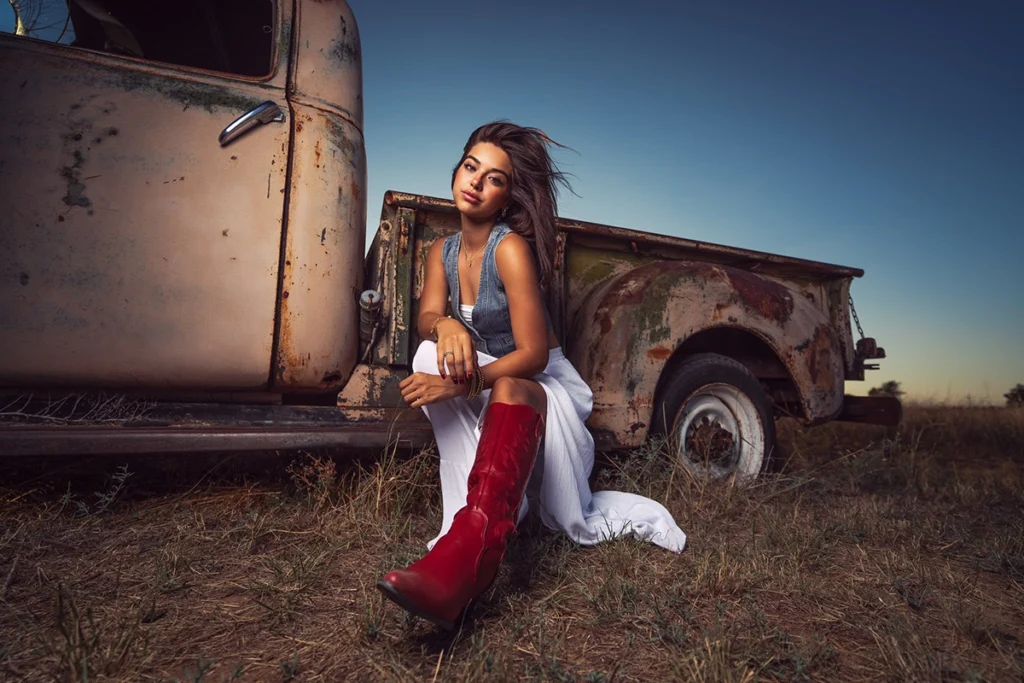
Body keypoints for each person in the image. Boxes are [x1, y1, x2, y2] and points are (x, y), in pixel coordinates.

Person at [376, 122, 687, 630]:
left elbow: (536, 356)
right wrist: (448, 323)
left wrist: (461, 382)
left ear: (505, 197)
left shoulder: (510, 250)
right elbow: (428, 315)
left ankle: (472, 556)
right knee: (427, 355)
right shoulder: (442, 253)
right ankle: (468, 528)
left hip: (542, 388)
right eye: (471, 167)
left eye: (493, 178)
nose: (475, 182)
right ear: (457, 169)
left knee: (505, 384)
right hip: (488, 380)